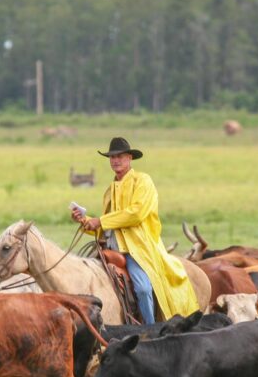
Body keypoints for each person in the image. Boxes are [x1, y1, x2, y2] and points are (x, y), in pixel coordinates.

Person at [71, 137, 199, 323]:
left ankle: (149, 328)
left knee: (143, 289)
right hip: (110, 249)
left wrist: (100, 221)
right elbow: (107, 227)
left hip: (136, 250)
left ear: (130, 158)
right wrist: (85, 221)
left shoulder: (143, 181)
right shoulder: (110, 190)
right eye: (112, 157)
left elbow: (136, 214)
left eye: (120, 156)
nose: (115, 160)